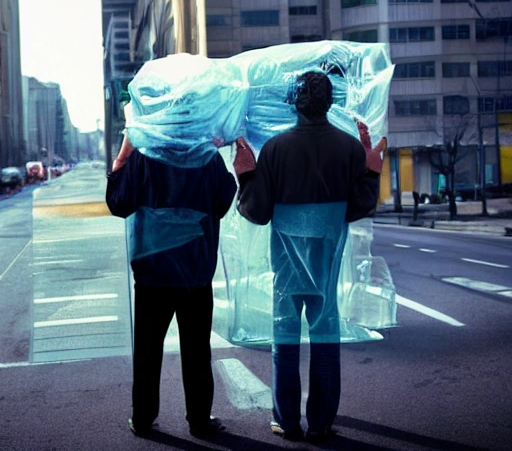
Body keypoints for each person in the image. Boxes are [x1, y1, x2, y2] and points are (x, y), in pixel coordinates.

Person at [233, 70, 385, 443]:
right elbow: (359, 205)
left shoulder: (275, 149)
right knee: (325, 334)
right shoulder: (350, 149)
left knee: (284, 335)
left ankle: (286, 421)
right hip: (327, 261)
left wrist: (247, 175)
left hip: (286, 266)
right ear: (329, 103)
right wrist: (371, 169)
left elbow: (258, 212)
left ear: (294, 103)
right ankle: (320, 422)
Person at [106, 133, 237, 438]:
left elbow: (119, 204)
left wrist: (122, 156)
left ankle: (142, 417)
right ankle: (200, 420)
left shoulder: (142, 156)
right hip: (196, 270)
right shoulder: (207, 156)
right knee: (196, 349)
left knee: (148, 349)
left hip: (153, 271)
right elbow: (222, 201)